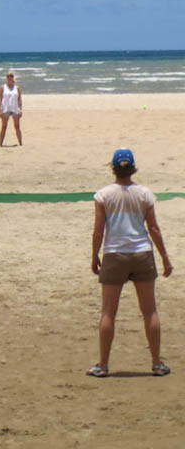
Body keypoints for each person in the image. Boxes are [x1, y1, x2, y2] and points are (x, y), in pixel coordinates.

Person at [87, 148, 173, 378]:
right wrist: (164, 257)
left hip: (115, 254)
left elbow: (98, 231)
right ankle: (157, 363)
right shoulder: (144, 193)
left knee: (108, 312)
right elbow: (153, 228)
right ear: (133, 168)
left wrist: (94, 255)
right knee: (149, 311)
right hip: (142, 253)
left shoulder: (103, 195)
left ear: (113, 169)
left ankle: (103, 365)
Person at [0, 71, 22, 147]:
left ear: (13, 77)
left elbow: (19, 99)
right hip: (5, 109)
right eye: (8, 76)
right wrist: (0, 110)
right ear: (6, 78)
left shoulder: (17, 88)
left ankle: (20, 143)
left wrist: (20, 110)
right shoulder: (3, 88)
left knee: (17, 127)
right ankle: (1, 144)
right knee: (4, 127)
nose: (9, 77)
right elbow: (0, 99)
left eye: (11, 76)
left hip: (15, 109)